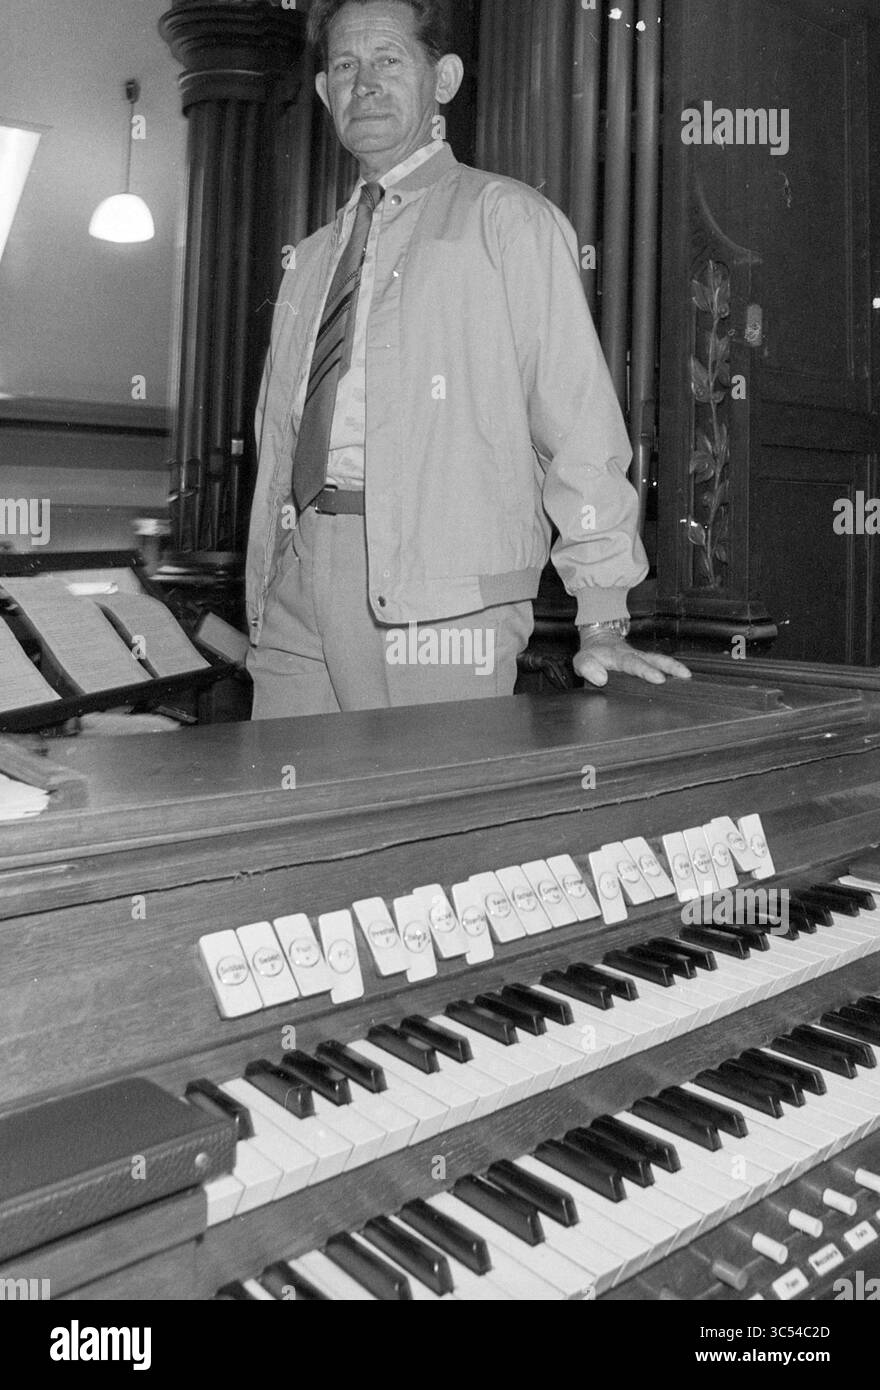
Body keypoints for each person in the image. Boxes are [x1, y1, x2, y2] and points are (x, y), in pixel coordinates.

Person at [245, 0, 690, 717]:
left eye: (389, 61)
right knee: (292, 822)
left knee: (429, 823)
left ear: (443, 79)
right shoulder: (311, 260)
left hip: (443, 606)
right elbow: (281, 439)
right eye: (346, 67)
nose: (364, 84)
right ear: (325, 93)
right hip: (295, 590)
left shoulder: (507, 221)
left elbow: (577, 427)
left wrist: (602, 614)